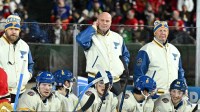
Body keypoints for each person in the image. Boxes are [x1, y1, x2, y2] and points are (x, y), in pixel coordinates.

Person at [76, 12, 130, 96]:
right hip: (96, 80)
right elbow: (80, 40)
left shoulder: (118, 37)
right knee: (95, 106)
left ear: (111, 22)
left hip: (115, 80)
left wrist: (121, 67)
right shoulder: (91, 36)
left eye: (107, 21)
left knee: (116, 106)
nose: (105, 23)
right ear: (97, 21)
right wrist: (93, 28)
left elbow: (125, 55)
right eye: (102, 20)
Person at [133, 20, 185, 95]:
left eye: (165, 30)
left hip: (173, 95)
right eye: (160, 30)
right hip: (154, 95)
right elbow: (139, 73)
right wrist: (143, 91)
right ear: (155, 33)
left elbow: (180, 72)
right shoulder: (146, 49)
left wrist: (183, 87)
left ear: (168, 32)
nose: (163, 33)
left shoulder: (175, 50)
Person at [0, 13, 34, 103]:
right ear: (6, 29)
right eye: (11, 29)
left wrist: (28, 75)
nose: (14, 32)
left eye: (16, 29)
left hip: (21, 92)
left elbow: (30, 64)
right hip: (3, 94)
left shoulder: (24, 45)